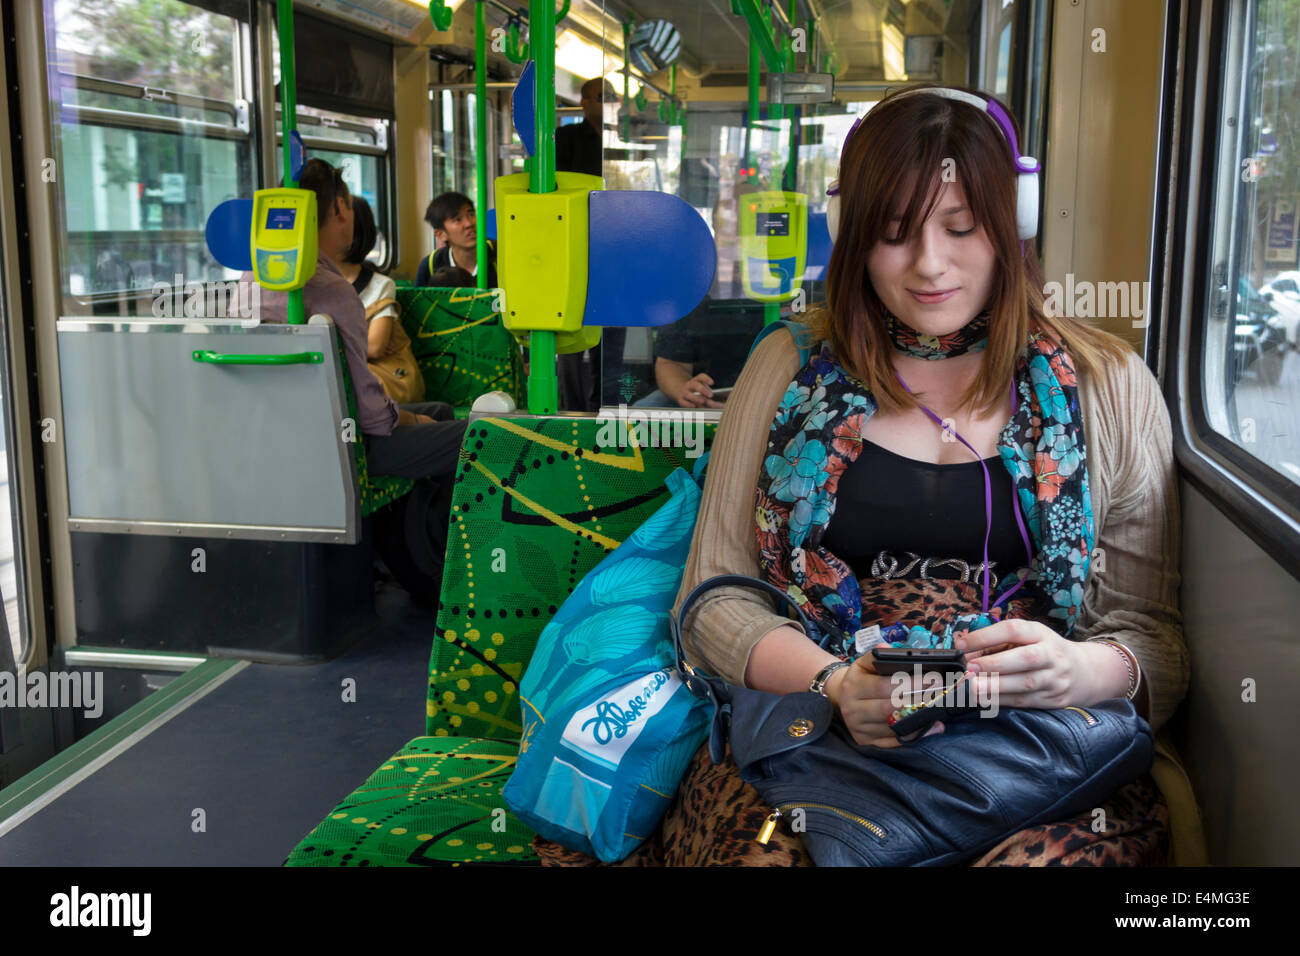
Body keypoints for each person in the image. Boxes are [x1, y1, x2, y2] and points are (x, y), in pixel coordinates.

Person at [537, 85, 1188, 867]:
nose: (929, 266)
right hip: (812, 730)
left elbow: (1153, 639)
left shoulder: (1109, 384)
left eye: (961, 228)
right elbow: (713, 597)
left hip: (1033, 748)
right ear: (851, 236)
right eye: (893, 235)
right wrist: (838, 684)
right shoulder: (787, 369)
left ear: (1013, 226)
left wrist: (1077, 669)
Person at [244, 158, 466, 480]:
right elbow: (370, 416)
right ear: (338, 209)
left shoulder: (249, 279)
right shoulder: (334, 291)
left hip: (271, 431)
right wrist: (414, 422)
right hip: (342, 445)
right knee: (465, 437)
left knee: (438, 411)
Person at [556, 77, 621, 411]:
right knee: (569, 333)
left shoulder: (622, 142)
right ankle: (573, 410)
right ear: (583, 103)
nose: (609, 102)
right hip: (574, 247)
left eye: (613, 97)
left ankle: (607, 407)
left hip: (614, 249)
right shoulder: (566, 139)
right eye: (602, 96)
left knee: (610, 333)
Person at [337, 195, 425, 405]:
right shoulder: (313, 285)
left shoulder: (380, 285)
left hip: (380, 378)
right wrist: (358, 346)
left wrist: (336, 349)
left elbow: (375, 347)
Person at [634, 298, 767, 408]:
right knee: (640, 412)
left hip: (773, 398)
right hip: (706, 397)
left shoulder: (783, 304)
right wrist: (684, 390)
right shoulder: (692, 300)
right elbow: (670, 363)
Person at [416, 192, 497, 289]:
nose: (468, 224)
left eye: (471, 215)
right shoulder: (431, 266)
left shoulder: (501, 256)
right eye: (457, 219)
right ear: (441, 234)